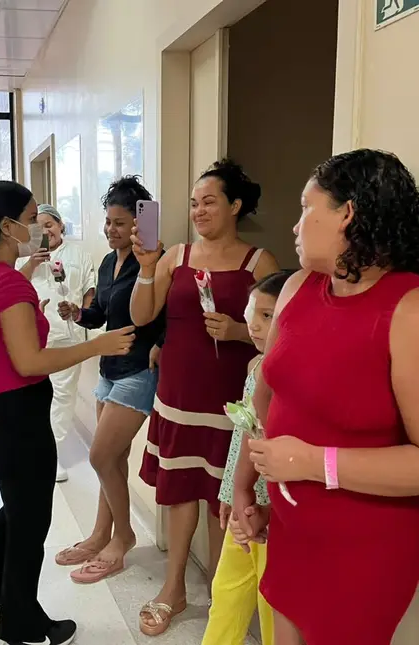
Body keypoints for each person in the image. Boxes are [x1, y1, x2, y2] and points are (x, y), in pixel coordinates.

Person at [231, 149, 419, 645]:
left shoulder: (415, 311)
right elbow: (267, 398)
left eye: (307, 207)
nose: (296, 226)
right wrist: (248, 485)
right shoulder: (298, 287)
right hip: (291, 520)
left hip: (366, 542)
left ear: (348, 213)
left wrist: (310, 462)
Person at [0, 180, 135, 645]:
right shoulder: (3, 281)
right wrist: (99, 344)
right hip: (16, 416)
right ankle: (21, 620)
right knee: (31, 522)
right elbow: (29, 362)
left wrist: (24, 277)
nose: (39, 228)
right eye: (30, 220)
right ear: (7, 227)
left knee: (19, 506)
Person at [129, 159, 279, 636]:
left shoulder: (260, 262)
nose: (199, 210)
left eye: (209, 201)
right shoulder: (176, 255)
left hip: (231, 400)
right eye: (193, 203)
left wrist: (237, 330)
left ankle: (221, 591)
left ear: (235, 206)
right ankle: (173, 586)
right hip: (177, 391)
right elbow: (142, 312)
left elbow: (279, 334)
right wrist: (148, 269)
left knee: (224, 495)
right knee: (178, 492)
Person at [52, 176, 166, 584]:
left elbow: (173, 313)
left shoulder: (155, 260)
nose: (111, 229)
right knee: (111, 460)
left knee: (100, 456)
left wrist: (162, 344)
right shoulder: (107, 262)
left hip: (138, 372)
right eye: (108, 221)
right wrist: (78, 313)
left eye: (120, 223)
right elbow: (100, 311)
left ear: (139, 224)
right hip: (107, 369)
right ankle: (102, 534)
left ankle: (124, 537)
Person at [203, 269, 295, 645]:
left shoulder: (292, 376)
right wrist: (230, 492)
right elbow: (244, 435)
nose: (254, 326)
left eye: (267, 315)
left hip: (274, 513)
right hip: (245, 502)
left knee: (271, 602)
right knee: (226, 592)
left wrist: (261, 506)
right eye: (252, 313)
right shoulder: (254, 367)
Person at [17, 204, 96, 482]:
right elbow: (13, 287)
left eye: (49, 224)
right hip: (31, 336)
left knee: (62, 396)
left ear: (61, 225)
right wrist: (32, 262)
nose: (45, 230)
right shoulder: (24, 257)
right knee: (33, 395)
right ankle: (30, 448)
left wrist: (83, 319)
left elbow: (89, 290)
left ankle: (52, 454)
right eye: (38, 226)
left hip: (67, 336)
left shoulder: (79, 255)